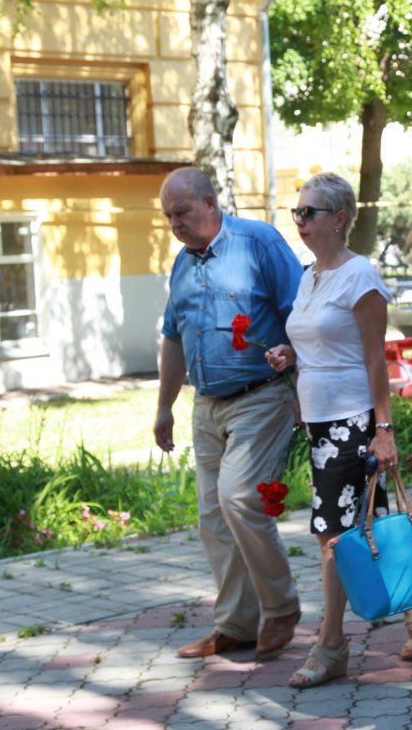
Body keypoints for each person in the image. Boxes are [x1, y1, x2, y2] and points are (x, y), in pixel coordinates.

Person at [264, 173, 412, 688]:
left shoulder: (359, 276)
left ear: (340, 218)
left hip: (353, 421)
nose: (299, 221)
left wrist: (383, 430)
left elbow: (373, 359)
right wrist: (290, 353)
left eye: (309, 213)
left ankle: (330, 645)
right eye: (296, 212)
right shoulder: (310, 276)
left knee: (333, 537)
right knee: (365, 528)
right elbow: (323, 341)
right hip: (320, 422)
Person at [154, 167, 303, 661]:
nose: (175, 223)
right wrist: (164, 408)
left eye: (183, 213)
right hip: (207, 404)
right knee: (214, 518)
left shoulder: (259, 243)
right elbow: (174, 338)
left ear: (211, 203)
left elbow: (299, 314)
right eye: (168, 216)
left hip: (262, 394)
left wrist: (303, 383)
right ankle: (236, 625)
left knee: (240, 497)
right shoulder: (182, 264)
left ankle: (280, 607)